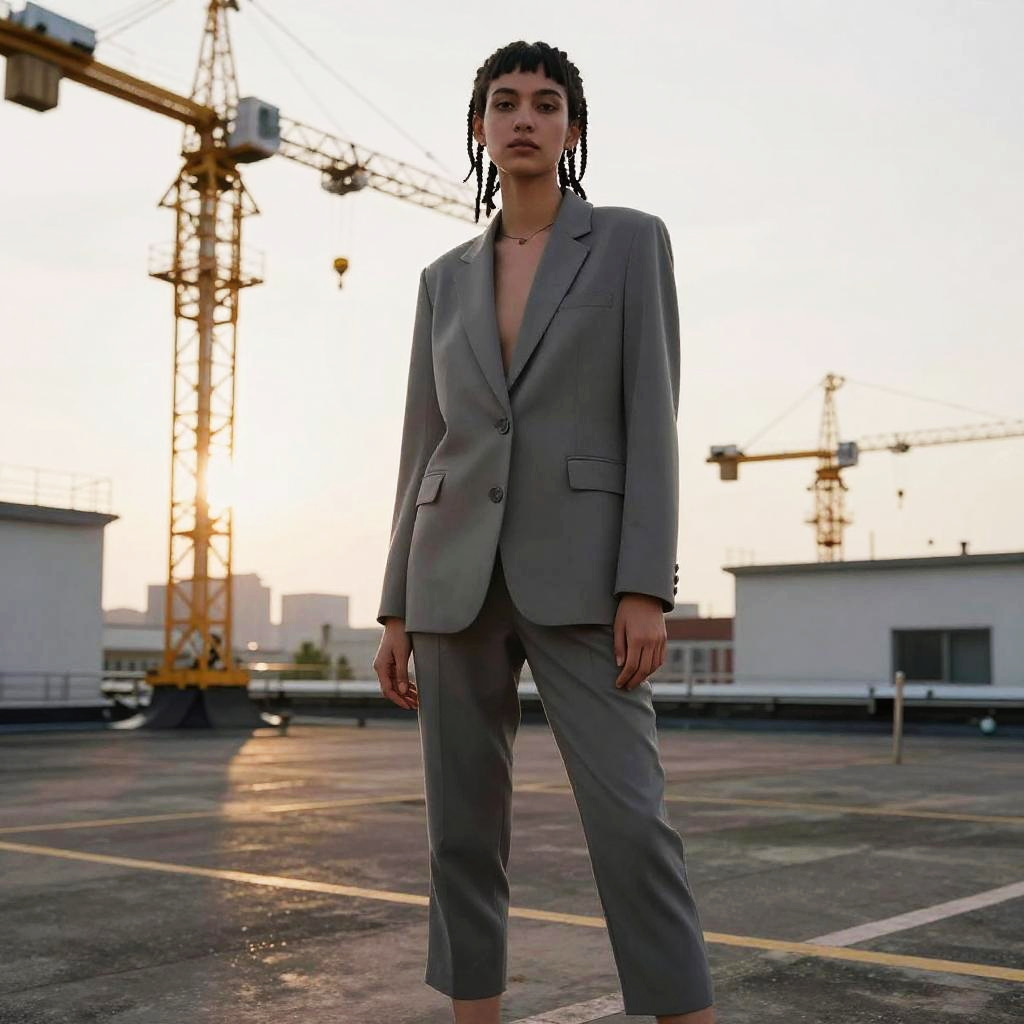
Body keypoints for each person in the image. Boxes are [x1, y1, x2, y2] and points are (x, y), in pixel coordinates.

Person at [373, 39, 716, 1024]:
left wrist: (645, 582)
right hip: (449, 581)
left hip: (585, 575)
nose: (524, 118)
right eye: (504, 102)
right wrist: (395, 602)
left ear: (573, 128)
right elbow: (421, 440)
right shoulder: (442, 277)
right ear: (479, 125)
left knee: (631, 823)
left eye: (546, 104)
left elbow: (653, 413)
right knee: (460, 834)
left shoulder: (629, 242)